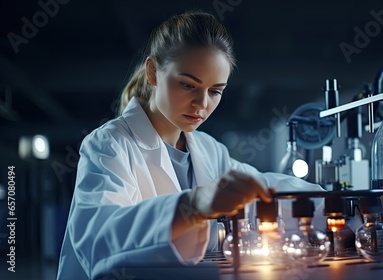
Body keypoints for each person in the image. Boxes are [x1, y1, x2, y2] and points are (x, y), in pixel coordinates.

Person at [57, 11, 321, 280]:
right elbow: (96, 240)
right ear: (152, 72)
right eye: (187, 84)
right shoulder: (110, 144)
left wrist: (341, 201)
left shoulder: (209, 150)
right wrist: (192, 205)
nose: (202, 104)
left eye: (215, 91)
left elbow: (260, 185)